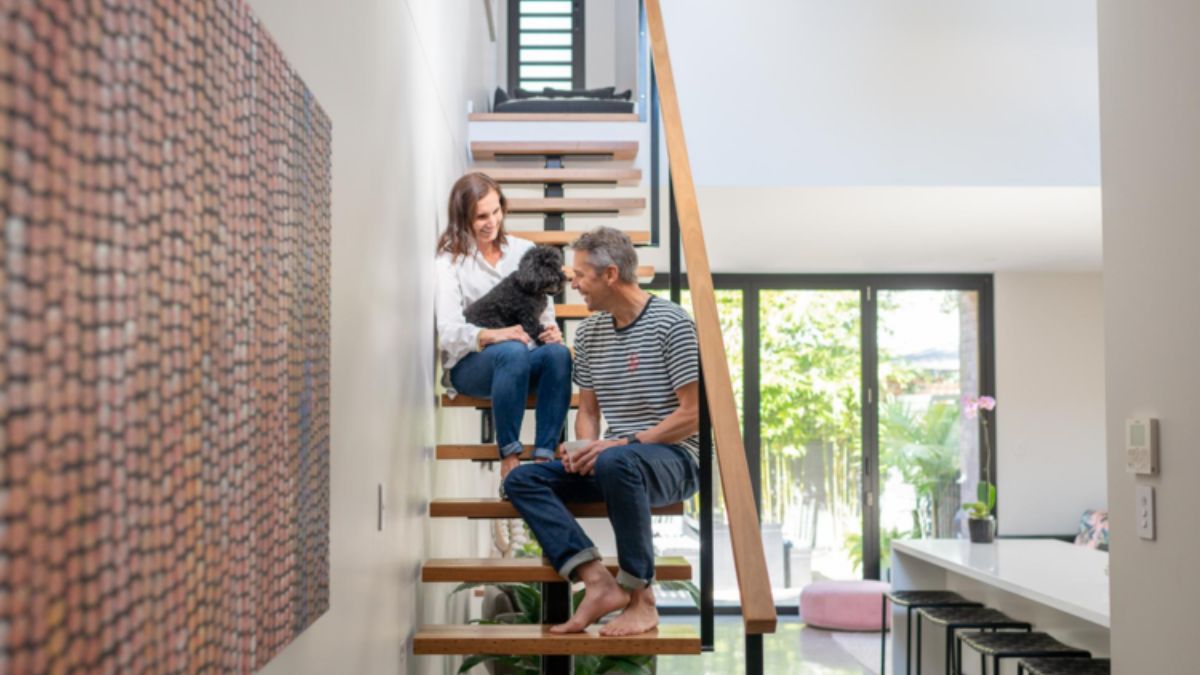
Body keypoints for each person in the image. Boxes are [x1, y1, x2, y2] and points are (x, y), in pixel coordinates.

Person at [503, 226, 701, 637]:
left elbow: (694, 415)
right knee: (522, 478)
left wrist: (619, 444)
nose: (571, 284)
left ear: (611, 274)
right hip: (617, 461)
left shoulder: (673, 323)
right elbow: (588, 412)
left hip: (675, 459)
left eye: (579, 275)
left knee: (616, 459)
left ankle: (642, 598)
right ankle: (596, 582)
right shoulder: (591, 333)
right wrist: (582, 449)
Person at [435, 173, 572, 479]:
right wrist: (494, 335)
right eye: (481, 216)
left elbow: (544, 312)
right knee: (511, 349)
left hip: (522, 360)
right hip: (472, 366)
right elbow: (447, 332)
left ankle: (544, 457)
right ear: (463, 218)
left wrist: (550, 332)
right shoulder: (450, 261)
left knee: (558, 355)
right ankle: (509, 456)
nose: (492, 222)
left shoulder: (525, 250)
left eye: (496, 211)